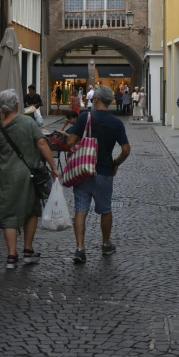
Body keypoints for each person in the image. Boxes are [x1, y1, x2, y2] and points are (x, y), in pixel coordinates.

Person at [0, 88, 59, 269]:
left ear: (1, 107)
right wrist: (53, 167)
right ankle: (28, 251)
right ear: (17, 105)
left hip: (6, 175)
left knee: (8, 213)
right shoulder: (28, 123)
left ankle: (12, 256)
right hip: (29, 175)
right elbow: (42, 143)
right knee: (31, 211)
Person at [67, 85, 131, 264]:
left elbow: (71, 141)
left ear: (96, 100)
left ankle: (80, 248)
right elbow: (126, 149)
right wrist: (115, 163)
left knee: (80, 209)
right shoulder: (116, 123)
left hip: (83, 170)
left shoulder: (84, 117)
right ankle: (105, 244)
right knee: (106, 209)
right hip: (104, 171)